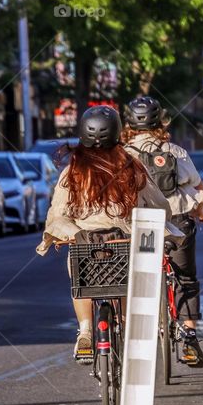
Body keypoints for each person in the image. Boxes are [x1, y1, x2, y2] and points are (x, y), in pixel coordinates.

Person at [36, 105, 173, 363]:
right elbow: (159, 205)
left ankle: (86, 331)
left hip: (85, 245)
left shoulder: (72, 172)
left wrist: (66, 234)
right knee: (124, 281)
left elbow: (57, 213)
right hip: (122, 243)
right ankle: (122, 323)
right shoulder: (132, 167)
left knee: (82, 283)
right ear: (117, 133)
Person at [121, 96, 203, 367]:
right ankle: (190, 334)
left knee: (130, 277)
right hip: (177, 221)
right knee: (186, 278)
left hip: (137, 225)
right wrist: (200, 211)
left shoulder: (121, 155)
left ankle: (128, 330)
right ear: (161, 122)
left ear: (129, 124)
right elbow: (199, 187)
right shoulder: (175, 152)